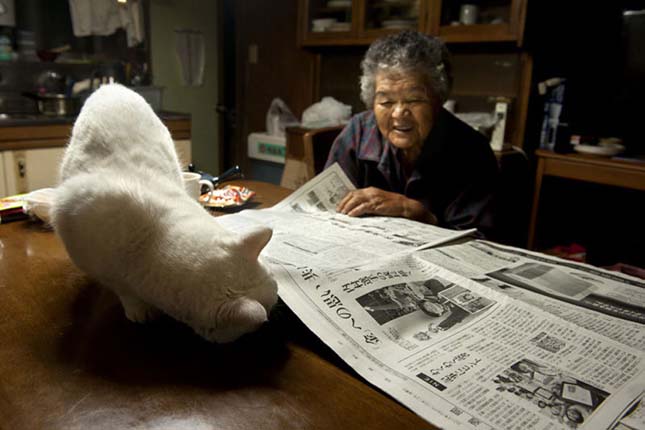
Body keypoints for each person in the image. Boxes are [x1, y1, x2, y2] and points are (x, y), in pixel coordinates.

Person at [325, 31, 499, 237]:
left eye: (414, 100)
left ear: (438, 100)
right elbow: (327, 211)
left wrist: (415, 212)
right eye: (386, 102)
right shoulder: (358, 132)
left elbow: (478, 242)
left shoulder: (471, 150)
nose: (399, 113)